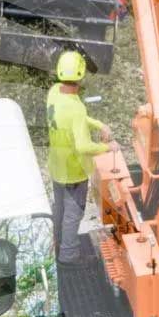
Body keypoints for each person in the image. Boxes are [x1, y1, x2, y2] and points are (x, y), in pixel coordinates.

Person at [44, 50, 112, 265]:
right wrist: (106, 147)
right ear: (81, 76)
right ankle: (69, 256)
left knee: (60, 209)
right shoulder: (76, 108)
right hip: (74, 172)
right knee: (73, 214)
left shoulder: (54, 92)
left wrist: (99, 124)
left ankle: (57, 244)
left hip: (56, 166)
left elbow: (77, 119)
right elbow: (83, 146)